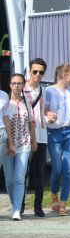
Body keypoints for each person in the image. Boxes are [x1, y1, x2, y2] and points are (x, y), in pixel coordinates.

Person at [44, 64, 70, 216]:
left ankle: (63, 203)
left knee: (69, 169)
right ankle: (54, 194)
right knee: (57, 168)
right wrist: (48, 115)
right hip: (55, 133)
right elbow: (44, 109)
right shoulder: (49, 90)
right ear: (64, 74)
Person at [4, 73, 36, 220]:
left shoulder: (27, 102)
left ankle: (17, 209)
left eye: (19, 83)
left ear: (23, 85)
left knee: (19, 177)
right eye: (14, 83)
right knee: (10, 180)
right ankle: (14, 204)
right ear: (10, 85)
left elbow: (31, 123)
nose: (17, 86)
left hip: (24, 144)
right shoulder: (5, 102)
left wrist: (34, 141)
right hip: (7, 145)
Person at [23, 58, 48, 217]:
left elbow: (44, 111)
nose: (38, 75)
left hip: (41, 135)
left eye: (41, 72)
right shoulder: (21, 89)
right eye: (35, 71)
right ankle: (20, 206)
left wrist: (49, 116)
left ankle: (38, 207)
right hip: (24, 136)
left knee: (40, 173)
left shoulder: (43, 90)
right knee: (23, 173)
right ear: (29, 71)